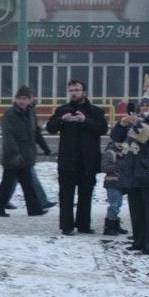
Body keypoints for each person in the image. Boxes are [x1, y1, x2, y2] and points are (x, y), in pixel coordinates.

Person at [45, 79, 108, 235]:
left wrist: (86, 121)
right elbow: (50, 128)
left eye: (77, 90)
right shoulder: (62, 110)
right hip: (68, 161)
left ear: (84, 92)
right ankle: (66, 226)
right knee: (66, 195)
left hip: (88, 161)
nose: (73, 93)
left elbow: (102, 129)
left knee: (85, 194)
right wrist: (61, 120)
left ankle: (83, 224)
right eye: (71, 90)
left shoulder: (95, 111)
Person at [111, 93, 149, 255]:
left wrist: (138, 124)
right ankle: (139, 241)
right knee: (136, 210)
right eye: (142, 105)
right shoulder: (135, 121)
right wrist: (121, 125)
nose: (144, 108)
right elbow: (116, 138)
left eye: (148, 105)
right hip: (134, 172)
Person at [0, 87, 50, 218]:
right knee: (8, 184)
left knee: (26, 184)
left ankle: (34, 209)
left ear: (30, 100)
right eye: (19, 98)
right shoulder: (10, 114)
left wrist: (45, 148)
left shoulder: (30, 113)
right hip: (14, 157)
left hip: (26, 156)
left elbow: (36, 133)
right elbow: (9, 137)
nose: (21, 101)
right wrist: (14, 154)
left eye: (24, 98)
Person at [101, 139, 128, 236]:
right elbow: (104, 167)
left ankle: (115, 222)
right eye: (119, 142)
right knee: (114, 205)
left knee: (118, 204)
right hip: (112, 182)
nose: (121, 144)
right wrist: (119, 165)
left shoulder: (125, 152)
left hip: (120, 182)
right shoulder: (110, 153)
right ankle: (109, 225)